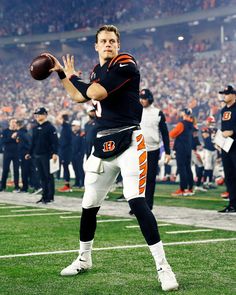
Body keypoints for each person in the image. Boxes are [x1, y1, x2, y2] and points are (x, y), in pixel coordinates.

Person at [45, 25, 179, 291]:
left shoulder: (125, 62)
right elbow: (76, 96)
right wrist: (63, 75)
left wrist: (74, 77)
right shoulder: (96, 71)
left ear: (118, 44)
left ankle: (164, 268)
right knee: (88, 204)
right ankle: (84, 258)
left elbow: (95, 93)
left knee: (137, 202)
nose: (108, 44)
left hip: (129, 140)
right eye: (103, 41)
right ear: (96, 46)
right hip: (103, 141)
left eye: (112, 41)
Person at [138, 88, 171, 210]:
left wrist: (167, 152)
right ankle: (137, 205)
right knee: (137, 177)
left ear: (150, 99)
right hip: (138, 149)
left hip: (153, 149)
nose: (142, 101)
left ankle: (148, 205)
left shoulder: (158, 113)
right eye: (141, 98)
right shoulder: (136, 111)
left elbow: (165, 133)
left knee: (150, 178)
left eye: (144, 98)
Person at [25, 107, 59, 204]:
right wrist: (29, 153)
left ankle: (50, 196)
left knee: (48, 176)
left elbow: (55, 142)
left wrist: (55, 153)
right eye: (36, 114)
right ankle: (44, 196)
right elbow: (33, 142)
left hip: (47, 155)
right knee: (42, 177)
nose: (37, 116)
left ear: (45, 115)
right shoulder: (35, 128)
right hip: (37, 155)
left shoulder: (50, 127)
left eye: (39, 114)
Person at [217, 85, 236, 213]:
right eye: (223, 93)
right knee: (229, 176)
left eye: (227, 93)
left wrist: (233, 131)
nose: (224, 96)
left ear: (234, 94)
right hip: (226, 146)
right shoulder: (223, 110)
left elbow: (230, 130)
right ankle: (232, 203)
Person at [169, 108, 194, 196]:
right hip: (188, 149)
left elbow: (171, 135)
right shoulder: (191, 123)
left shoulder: (181, 124)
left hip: (181, 149)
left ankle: (182, 189)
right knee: (188, 168)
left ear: (184, 113)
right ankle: (190, 188)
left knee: (182, 169)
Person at [0, 118, 20, 192]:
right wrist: (11, 138)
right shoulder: (5, 131)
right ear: (9, 123)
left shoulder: (18, 131)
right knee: (5, 170)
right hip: (7, 152)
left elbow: (20, 141)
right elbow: (2, 141)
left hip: (16, 153)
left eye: (15, 122)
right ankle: (3, 186)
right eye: (12, 122)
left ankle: (17, 186)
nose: (14, 123)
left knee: (16, 170)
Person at [57, 113, 73, 192]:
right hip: (64, 151)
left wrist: (59, 144)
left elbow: (65, 141)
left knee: (66, 168)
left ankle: (67, 186)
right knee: (65, 168)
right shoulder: (65, 127)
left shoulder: (66, 127)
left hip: (65, 152)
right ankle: (67, 185)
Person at [16, 120, 31, 192]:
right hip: (28, 153)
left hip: (23, 154)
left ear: (18, 125)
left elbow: (21, 145)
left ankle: (25, 187)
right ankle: (31, 185)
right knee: (29, 170)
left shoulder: (20, 133)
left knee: (24, 171)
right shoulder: (26, 132)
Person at [71, 120, 85, 188]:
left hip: (79, 155)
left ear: (78, 126)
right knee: (75, 168)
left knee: (80, 169)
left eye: (74, 125)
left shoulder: (81, 134)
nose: (73, 127)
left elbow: (83, 145)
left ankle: (82, 183)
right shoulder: (71, 134)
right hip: (72, 154)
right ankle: (77, 182)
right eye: (72, 126)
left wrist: (80, 153)